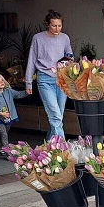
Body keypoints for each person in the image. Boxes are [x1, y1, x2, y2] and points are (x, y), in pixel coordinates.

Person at [25, 9, 73, 139]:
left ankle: (50, 145)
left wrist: (67, 62)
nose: (57, 28)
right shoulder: (38, 38)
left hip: (62, 80)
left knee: (58, 116)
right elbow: (32, 60)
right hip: (45, 79)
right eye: (54, 25)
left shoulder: (64, 38)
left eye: (59, 25)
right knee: (55, 115)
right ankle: (62, 147)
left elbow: (70, 56)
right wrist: (28, 82)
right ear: (47, 24)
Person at [0, 73, 26, 154]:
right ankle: (9, 153)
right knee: (4, 134)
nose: (2, 82)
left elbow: (19, 94)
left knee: (5, 133)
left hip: (8, 118)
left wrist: (27, 92)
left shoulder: (8, 91)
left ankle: (0, 147)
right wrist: (0, 113)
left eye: (2, 80)